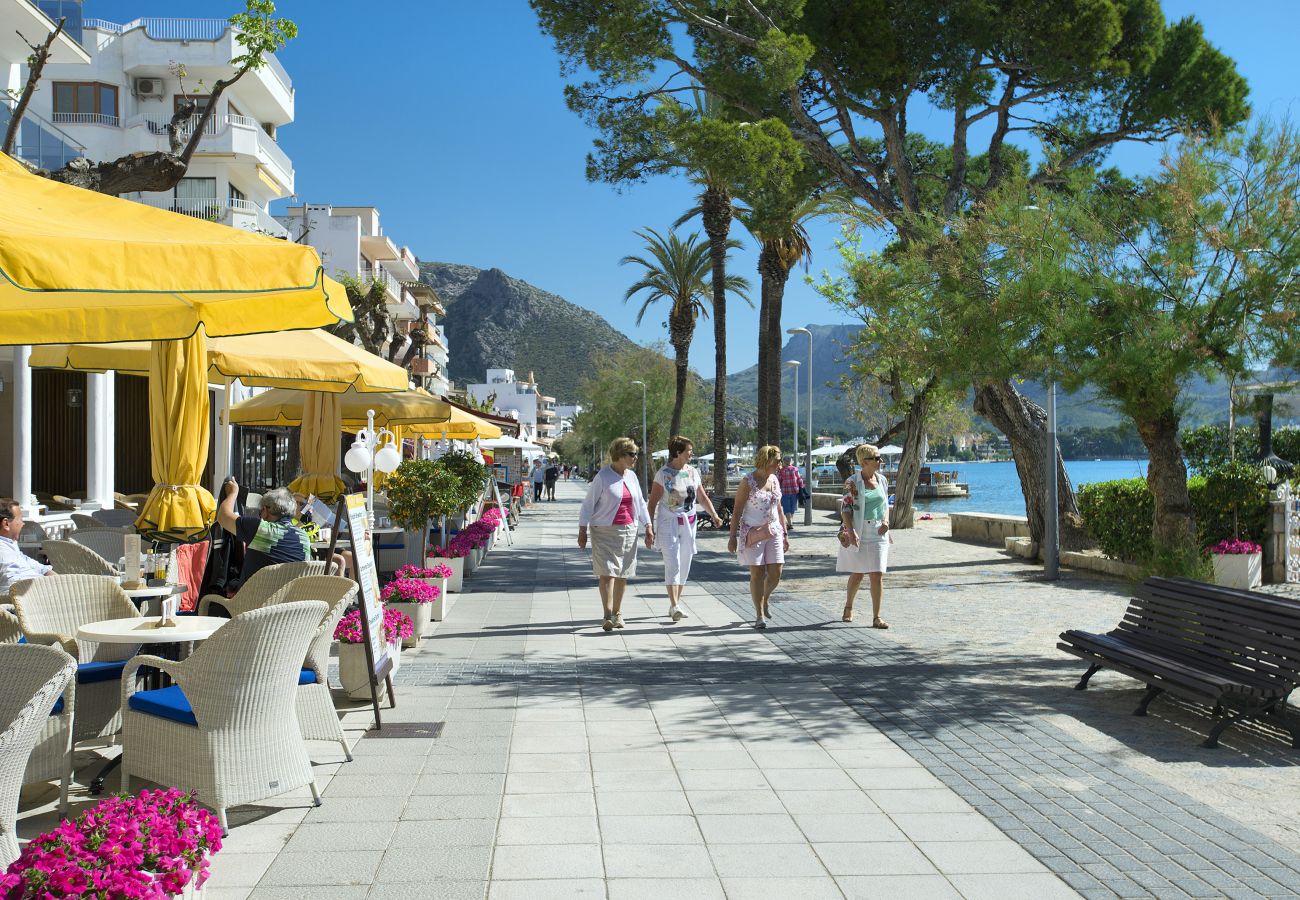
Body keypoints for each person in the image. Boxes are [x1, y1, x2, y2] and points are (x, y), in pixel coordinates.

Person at [577, 437, 651, 632]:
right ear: (620, 455)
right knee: (607, 573)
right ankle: (607, 614)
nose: (635, 458)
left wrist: (648, 525)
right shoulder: (603, 476)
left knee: (622, 574)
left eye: (636, 454)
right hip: (604, 531)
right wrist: (582, 530)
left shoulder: (632, 476)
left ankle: (618, 613)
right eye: (632, 454)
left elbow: (641, 503)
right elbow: (588, 505)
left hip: (629, 530)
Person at [646, 435, 723, 622]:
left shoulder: (692, 472)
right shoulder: (663, 474)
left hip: (689, 523)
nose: (691, 453)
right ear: (678, 452)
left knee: (685, 564)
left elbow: (702, 498)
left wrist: (714, 515)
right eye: (689, 450)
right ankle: (674, 605)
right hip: (668, 523)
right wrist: (649, 528)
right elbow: (652, 503)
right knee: (673, 564)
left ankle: (675, 604)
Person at [727, 445, 789, 629]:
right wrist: (732, 536)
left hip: (774, 531)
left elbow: (780, 508)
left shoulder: (775, 480)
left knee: (777, 572)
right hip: (753, 532)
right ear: (767, 459)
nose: (780, 464)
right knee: (757, 574)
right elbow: (737, 510)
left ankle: (765, 598)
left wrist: (785, 533)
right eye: (778, 460)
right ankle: (759, 615)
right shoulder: (748, 481)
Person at [216, 481, 311, 587]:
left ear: (265, 511)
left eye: (259, 512)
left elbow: (223, 517)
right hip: (290, 601)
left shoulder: (261, 529)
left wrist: (233, 493)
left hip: (254, 601)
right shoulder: (304, 537)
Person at [837, 443, 891, 627]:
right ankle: (848, 606)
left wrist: (886, 521)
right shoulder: (852, 482)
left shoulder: (882, 480)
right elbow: (845, 509)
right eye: (876, 458)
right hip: (859, 530)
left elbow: (885, 506)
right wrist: (850, 531)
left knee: (877, 575)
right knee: (858, 574)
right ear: (864, 462)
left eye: (879, 457)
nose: (880, 461)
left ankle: (877, 617)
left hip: (879, 532)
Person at [0, 498, 54, 595]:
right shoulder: (3, 552)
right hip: (28, 600)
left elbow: (27, 560)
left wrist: (47, 572)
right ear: (6, 523)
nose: (23, 523)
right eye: (20, 519)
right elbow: (12, 583)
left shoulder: (10, 544)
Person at [777, 456, 805, 528]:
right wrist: (801, 487)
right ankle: (790, 522)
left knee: (787, 507)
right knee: (792, 507)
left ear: (784, 462)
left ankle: (790, 523)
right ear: (791, 461)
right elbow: (799, 479)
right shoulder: (795, 469)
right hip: (794, 490)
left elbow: (778, 481)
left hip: (785, 491)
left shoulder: (781, 470)